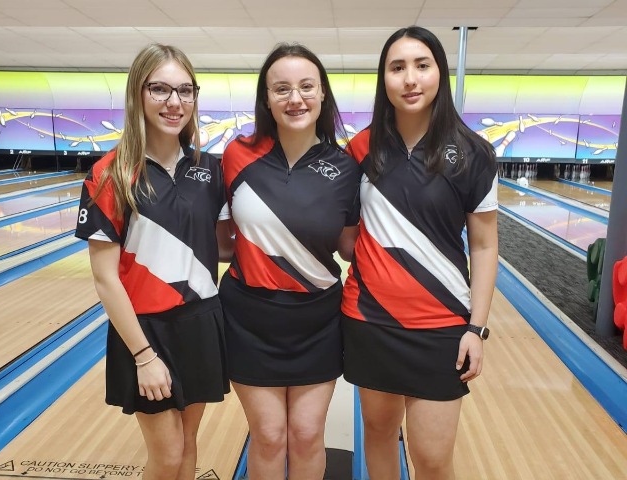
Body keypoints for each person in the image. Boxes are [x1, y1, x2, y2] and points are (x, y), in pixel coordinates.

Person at [342, 26, 498, 479]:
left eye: (422, 65)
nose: (410, 79)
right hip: (371, 321)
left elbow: (486, 246)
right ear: (383, 78)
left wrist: (477, 328)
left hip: (442, 326)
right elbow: (347, 234)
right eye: (397, 68)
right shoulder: (360, 149)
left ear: (439, 74)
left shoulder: (474, 153)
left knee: (432, 458)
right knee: (378, 435)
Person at [75, 43, 231, 480]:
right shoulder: (110, 174)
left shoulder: (209, 170)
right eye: (160, 89)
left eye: (185, 90)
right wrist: (144, 356)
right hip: (146, 331)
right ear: (137, 94)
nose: (174, 102)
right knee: (165, 454)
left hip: (202, 321)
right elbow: (105, 279)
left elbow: (222, 247)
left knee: (187, 447)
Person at [219, 43, 361, 480]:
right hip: (249, 317)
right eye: (281, 88)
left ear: (322, 95)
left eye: (305, 87)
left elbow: (350, 248)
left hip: (317, 320)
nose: (294, 98)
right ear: (266, 98)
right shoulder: (237, 155)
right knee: (268, 435)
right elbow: (222, 240)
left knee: (305, 433)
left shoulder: (346, 168)